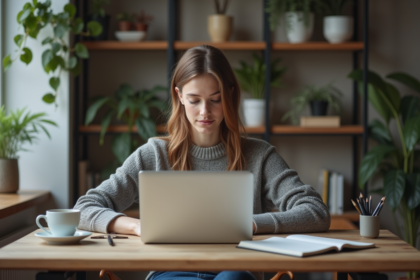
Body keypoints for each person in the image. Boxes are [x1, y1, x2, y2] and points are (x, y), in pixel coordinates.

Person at [74, 45, 330, 280]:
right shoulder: (153, 154)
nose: (205, 111)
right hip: (171, 272)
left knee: (235, 277)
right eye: (194, 100)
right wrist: (138, 227)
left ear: (230, 94)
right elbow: (84, 208)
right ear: (180, 96)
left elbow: (315, 212)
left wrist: (250, 224)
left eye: (215, 99)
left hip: (235, 272)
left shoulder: (259, 155)